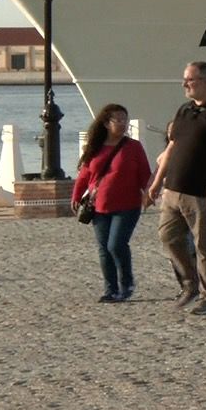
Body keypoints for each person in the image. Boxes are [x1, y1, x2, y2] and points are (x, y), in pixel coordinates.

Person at [149, 61, 206, 316]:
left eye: (190, 79)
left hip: (202, 192)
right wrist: (156, 182)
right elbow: (171, 147)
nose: (184, 84)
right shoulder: (184, 110)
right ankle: (190, 282)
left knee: (205, 246)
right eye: (184, 79)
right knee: (168, 236)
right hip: (173, 189)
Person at [71, 104, 153, 303]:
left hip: (127, 205)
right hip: (99, 206)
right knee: (103, 249)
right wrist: (76, 196)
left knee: (116, 245)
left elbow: (144, 173)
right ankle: (110, 289)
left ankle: (127, 284)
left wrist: (149, 193)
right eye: (119, 119)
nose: (123, 123)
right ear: (107, 123)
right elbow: (85, 175)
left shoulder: (133, 147)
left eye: (125, 119)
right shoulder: (95, 147)